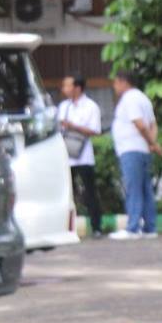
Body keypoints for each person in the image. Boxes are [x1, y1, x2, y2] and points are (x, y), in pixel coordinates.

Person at [109, 70, 162, 240]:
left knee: (133, 188)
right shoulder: (143, 98)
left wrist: (152, 143)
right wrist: (151, 143)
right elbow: (153, 124)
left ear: (124, 82)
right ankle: (150, 228)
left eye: (116, 82)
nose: (114, 86)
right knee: (145, 189)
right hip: (142, 150)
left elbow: (139, 124)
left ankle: (132, 228)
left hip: (131, 149)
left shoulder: (130, 98)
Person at [56, 74, 103, 238]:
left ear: (77, 88)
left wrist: (73, 126)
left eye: (67, 85)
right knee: (67, 194)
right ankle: (67, 229)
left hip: (84, 156)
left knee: (90, 192)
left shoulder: (91, 106)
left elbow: (95, 130)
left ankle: (97, 227)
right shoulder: (63, 106)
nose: (64, 89)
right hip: (66, 156)